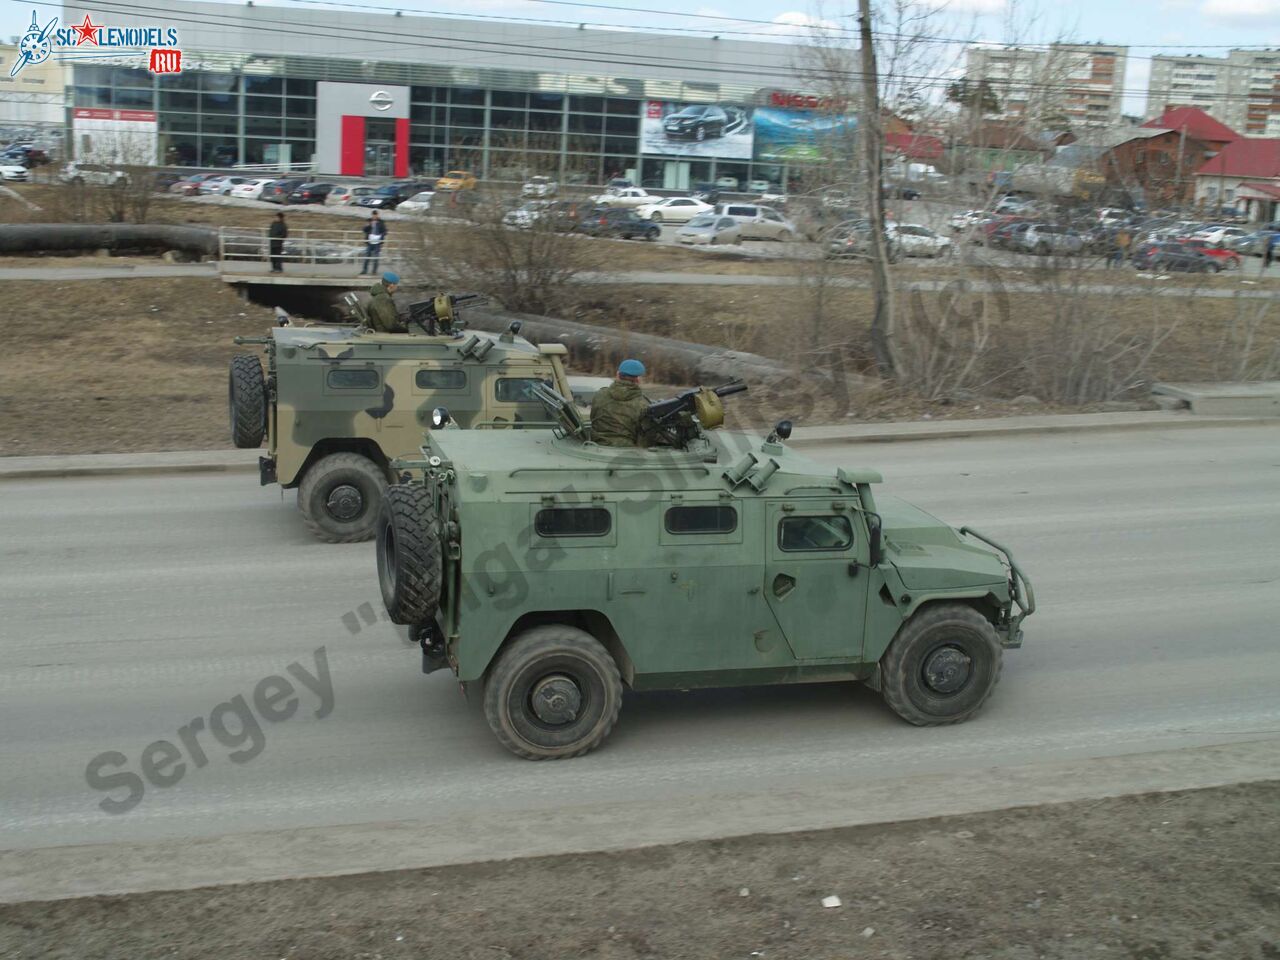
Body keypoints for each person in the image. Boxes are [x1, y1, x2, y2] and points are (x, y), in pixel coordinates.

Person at [590, 359, 649, 447]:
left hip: (596, 446)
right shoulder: (644, 404)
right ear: (638, 380)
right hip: (625, 454)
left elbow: (593, 418)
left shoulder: (599, 395)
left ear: (617, 375)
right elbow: (644, 438)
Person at [361, 211, 388, 275]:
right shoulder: (369, 221)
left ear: (378, 215)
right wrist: (370, 225)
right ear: (372, 215)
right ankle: (364, 270)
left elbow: (385, 231)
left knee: (376, 257)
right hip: (370, 242)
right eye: (373, 215)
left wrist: (380, 236)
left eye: (376, 215)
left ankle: (374, 271)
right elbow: (364, 230)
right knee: (367, 256)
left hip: (377, 242)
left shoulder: (381, 222)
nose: (374, 216)